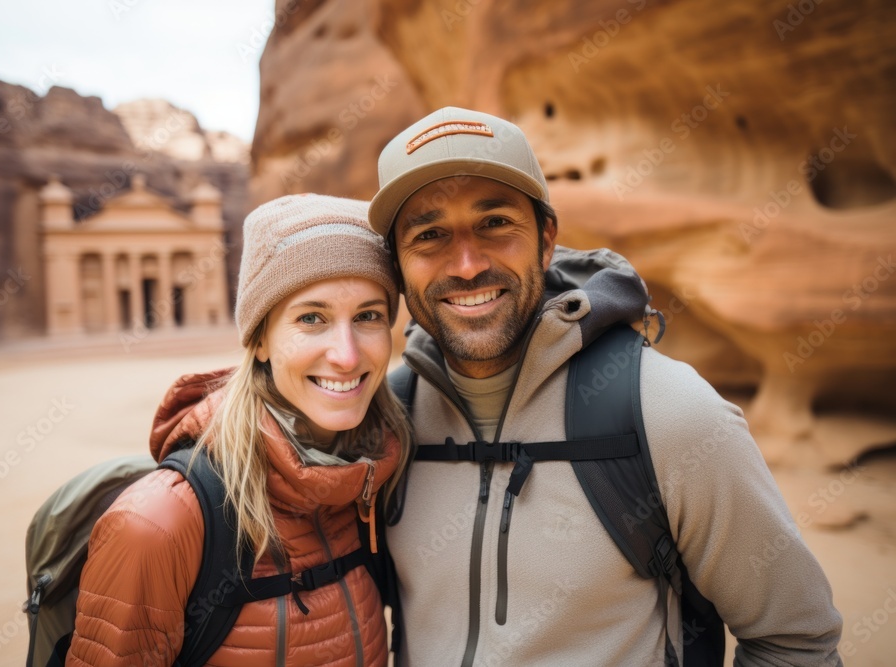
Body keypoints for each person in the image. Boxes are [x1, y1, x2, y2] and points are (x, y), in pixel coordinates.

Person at [367, 107, 843, 666]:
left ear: (546, 241)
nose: (468, 265)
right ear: (397, 269)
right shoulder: (384, 422)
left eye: (495, 223)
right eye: (429, 235)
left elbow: (795, 643)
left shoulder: (669, 413)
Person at [67, 194, 412, 666]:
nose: (347, 356)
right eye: (312, 318)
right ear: (260, 339)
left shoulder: (376, 481)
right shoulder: (156, 525)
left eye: (369, 316)